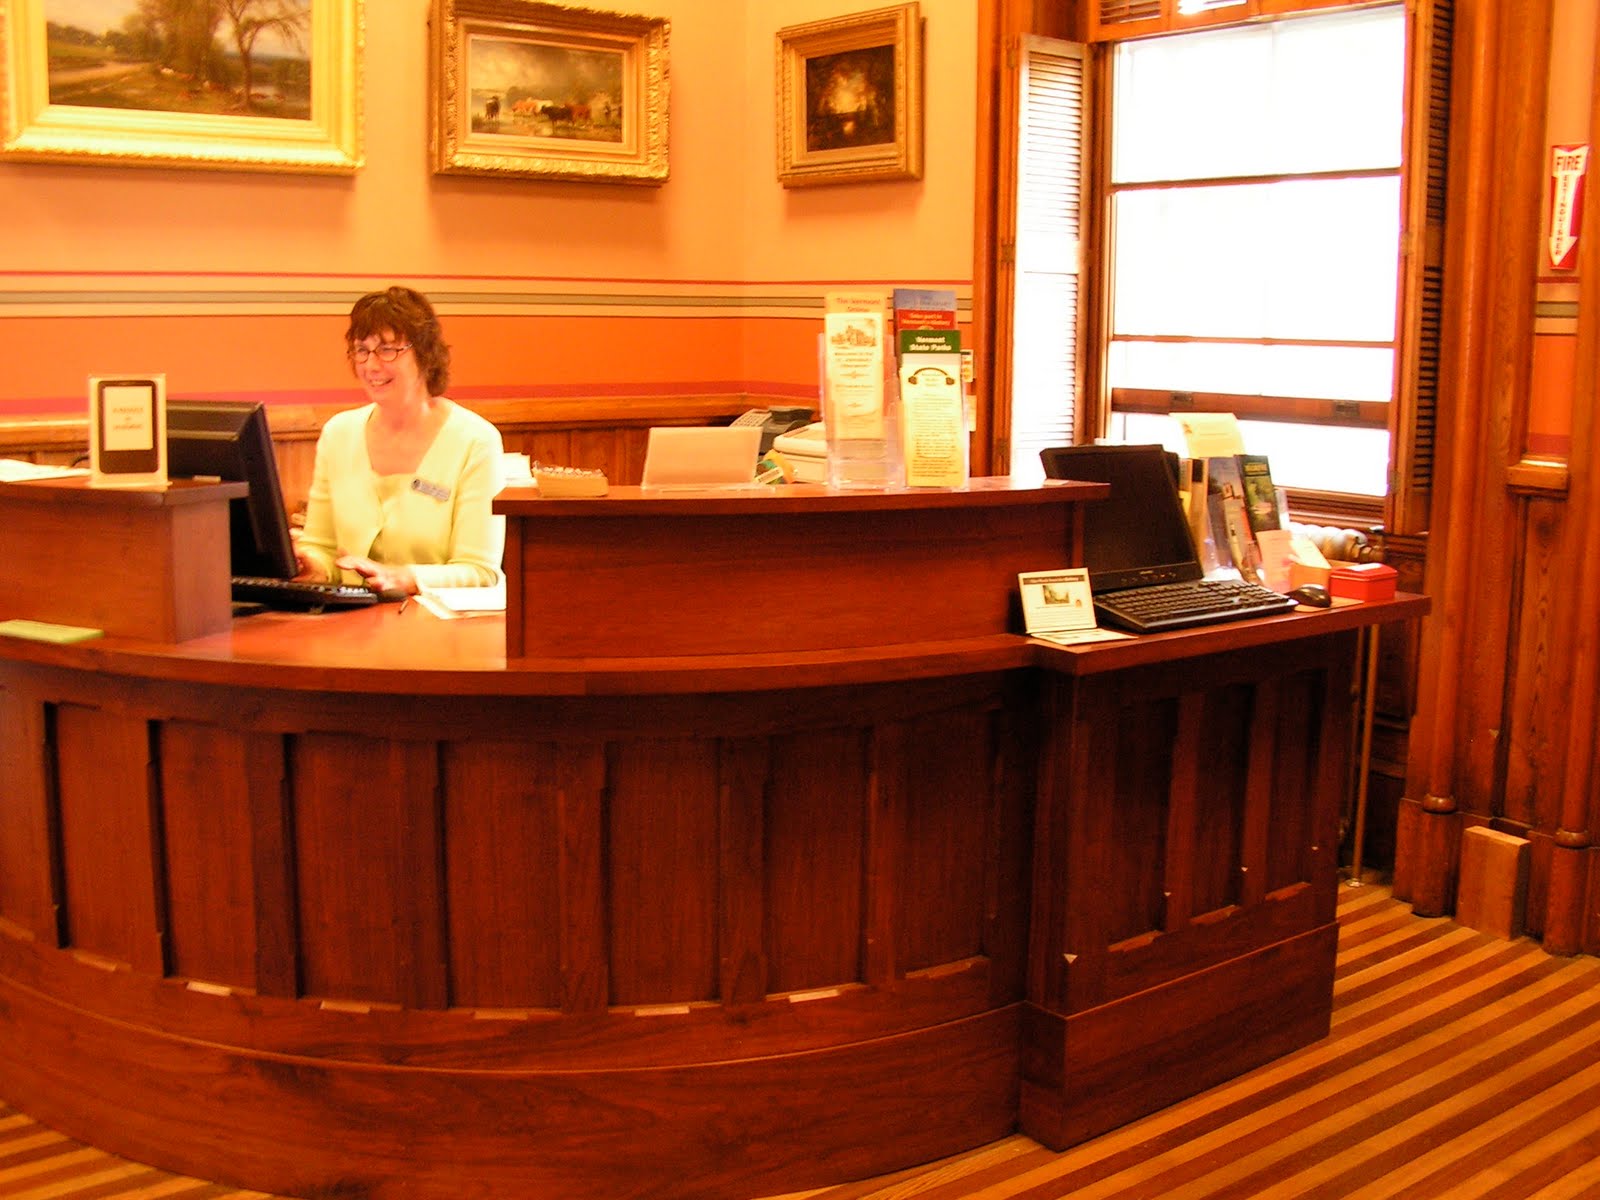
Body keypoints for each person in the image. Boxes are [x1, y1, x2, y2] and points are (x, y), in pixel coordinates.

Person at [294, 287, 505, 596]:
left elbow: (480, 571)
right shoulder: (338, 435)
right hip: (349, 629)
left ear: (424, 353)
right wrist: (309, 565)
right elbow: (322, 548)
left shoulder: (475, 441)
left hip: (441, 631)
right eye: (361, 350)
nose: (371, 365)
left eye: (387, 350)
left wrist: (405, 578)